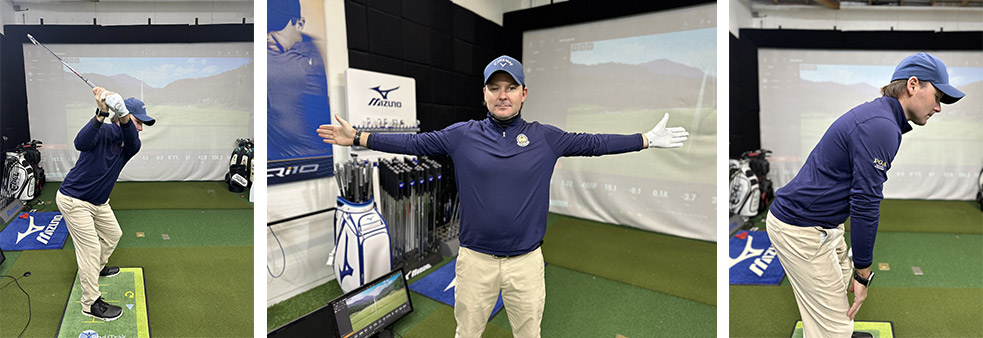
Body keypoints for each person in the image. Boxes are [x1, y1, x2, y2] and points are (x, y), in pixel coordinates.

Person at [317, 55, 689, 338]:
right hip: (475, 262)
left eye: (511, 87)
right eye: (494, 88)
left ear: (524, 93)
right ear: (484, 94)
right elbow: (415, 141)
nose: (502, 95)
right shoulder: (462, 134)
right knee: (467, 333)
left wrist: (644, 140)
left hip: (526, 264)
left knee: (528, 334)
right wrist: (360, 137)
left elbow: (595, 143)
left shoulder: (547, 137)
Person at [766, 52, 965, 337]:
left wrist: (857, 271)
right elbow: (865, 203)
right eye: (937, 96)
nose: (939, 107)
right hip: (800, 227)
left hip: (820, 223)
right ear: (912, 85)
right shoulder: (881, 126)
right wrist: (863, 273)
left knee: (837, 290)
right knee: (836, 325)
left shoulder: (883, 117)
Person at [56, 87, 156, 321]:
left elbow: (131, 137)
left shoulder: (133, 143)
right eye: (138, 121)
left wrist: (123, 114)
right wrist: (101, 113)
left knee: (114, 234)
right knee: (89, 249)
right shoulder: (104, 130)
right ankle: (90, 304)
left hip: (99, 203)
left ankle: (97, 268)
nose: (140, 128)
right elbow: (80, 142)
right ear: (123, 118)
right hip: (74, 200)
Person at [267, 0, 331, 163]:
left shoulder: (315, 52)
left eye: (275, 26)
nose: (267, 36)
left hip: (320, 163)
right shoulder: (273, 62)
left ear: (300, 24)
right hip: (288, 167)